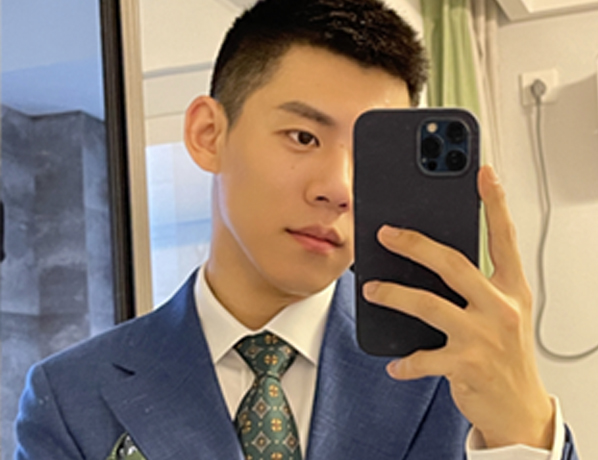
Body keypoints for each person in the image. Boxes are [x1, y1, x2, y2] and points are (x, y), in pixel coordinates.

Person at [14, 0, 578, 459]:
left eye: (367, 155)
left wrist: (525, 432)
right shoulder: (71, 397)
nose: (339, 187)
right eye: (304, 137)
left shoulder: (449, 372)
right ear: (209, 134)